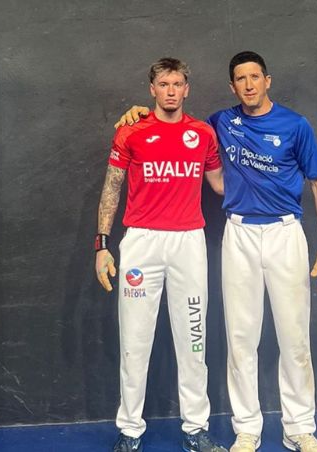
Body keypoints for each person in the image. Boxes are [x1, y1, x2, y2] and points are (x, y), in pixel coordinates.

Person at [116, 51, 317, 452]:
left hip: (285, 233)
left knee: (294, 337)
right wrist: (139, 113)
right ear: (231, 86)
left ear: (267, 80)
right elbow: (171, 120)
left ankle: (300, 427)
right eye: (240, 79)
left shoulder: (295, 125)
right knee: (240, 338)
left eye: (255, 77)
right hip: (239, 234)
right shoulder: (218, 124)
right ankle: (247, 428)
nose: (249, 85)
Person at [95, 57, 226, 452]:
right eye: (164, 84)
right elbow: (112, 188)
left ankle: (196, 429)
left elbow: (221, 185)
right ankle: (130, 430)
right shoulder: (131, 131)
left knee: (194, 340)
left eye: (178, 84)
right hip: (142, 243)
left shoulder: (203, 133)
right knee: (134, 341)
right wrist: (102, 245)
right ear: (152, 89)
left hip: (188, 243)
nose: (171, 91)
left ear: (187, 89)